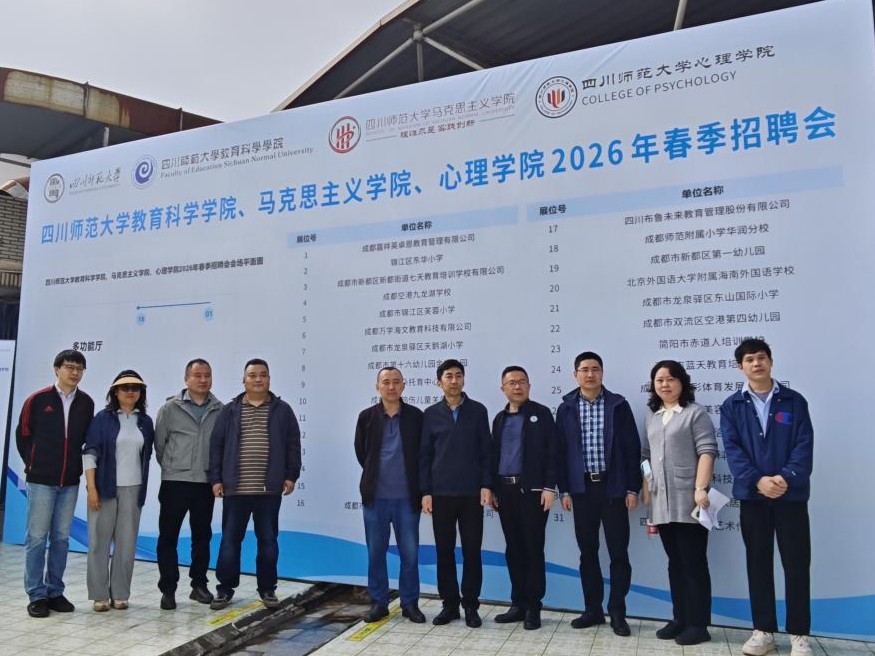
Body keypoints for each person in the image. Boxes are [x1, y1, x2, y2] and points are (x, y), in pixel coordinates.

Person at [721, 339, 814, 656]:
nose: (756, 363)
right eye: (749, 359)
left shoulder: (794, 401)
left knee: (796, 564)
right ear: (740, 367)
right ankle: (763, 631)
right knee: (758, 563)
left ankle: (799, 634)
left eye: (761, 358)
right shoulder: (732, 405)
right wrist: (758, 480)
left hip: (791, 496)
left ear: (771, 362)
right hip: (753, 498)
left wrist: (785, 478)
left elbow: (804, 445)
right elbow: (733, 450)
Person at [556, 351, 641, 636]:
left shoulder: (618, 405)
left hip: (613, 488)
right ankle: (592, 610)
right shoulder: (566, 408)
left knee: (619, 553)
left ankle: (617, 611)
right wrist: (565, 489)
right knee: (587, 552)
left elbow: (631, 448)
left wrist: (632, 487)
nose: (590, 374)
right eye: (584, 369)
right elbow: (561, 452)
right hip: (581, 490)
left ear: (602, 373)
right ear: (575, 374)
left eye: (595, 369)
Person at [209, 358, 301, 610]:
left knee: (268, 542)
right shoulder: (230, 411)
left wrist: (291, 476)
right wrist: (216, 479)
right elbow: (216, 446)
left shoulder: (283, 410)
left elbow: (293, 445)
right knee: (230, 542)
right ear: (244, 380)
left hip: (268, 491)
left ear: (269, 379)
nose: (258, 379)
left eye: (263, 375)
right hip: (235, 490)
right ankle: (224, 589)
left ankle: (267, 589)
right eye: (252, 375)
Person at [641, 360, 717, 645]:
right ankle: (680, 618)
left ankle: (699, 624)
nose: (665, 384)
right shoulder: (653, 415)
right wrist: (646, 488)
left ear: (682, 382)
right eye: (659, 380)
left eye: (671, 379)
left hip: (690, 501)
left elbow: (707, 451)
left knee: (693, 563)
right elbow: (645, 455)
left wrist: (700, 488)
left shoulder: (695, 413)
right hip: (661, 501)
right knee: (675, 562)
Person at [16, 349, 95, 617]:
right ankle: (36, 594)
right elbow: (23, 435)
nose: (75, 373)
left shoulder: (86, 403)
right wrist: (33, 464)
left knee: (61, 538)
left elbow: (86, 440)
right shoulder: (37, 400)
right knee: (37, 538)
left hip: (70, 481)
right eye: (69, 367)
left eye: (79, 368)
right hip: (41, 481)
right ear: (57, 369)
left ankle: (55, 591)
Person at [420, 359, 492, 627]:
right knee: (444, 551)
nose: (454, 380)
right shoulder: (430, 414)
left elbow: (487, 452)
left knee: (472, 551)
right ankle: (449, 604)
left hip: (472, 494)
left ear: (463, 379)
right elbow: (424, 456)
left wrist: (486, 485)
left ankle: (471, 605)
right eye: (448, 376)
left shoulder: (478, 411)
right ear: (439, 382)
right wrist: (425, 491)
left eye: (458, 375)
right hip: (441, 495)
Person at [354, 367, 426, 624]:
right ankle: (379, 602)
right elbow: (362, 452)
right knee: (376, 553)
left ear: (404, 385)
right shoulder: (366, 417)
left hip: (407, 498)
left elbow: (423, 454)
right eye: (386, 382)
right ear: (378, 387)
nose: (391, 386)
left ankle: (410, 603)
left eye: (396, 382)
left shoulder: (416, 417)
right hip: (376, 498)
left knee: (410, 553)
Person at [490, 366, 557, 630]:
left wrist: (549, 487)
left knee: (532, 548)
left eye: (522, 382)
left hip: (533, 493)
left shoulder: (541, 414)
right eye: (511, 383)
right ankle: (517, 603)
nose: (517, 387)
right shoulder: (499, 419)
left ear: (529, 386)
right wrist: (492, 489)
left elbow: (553, 452)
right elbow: (494, 456)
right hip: (505, 492)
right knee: (513, 549)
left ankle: (533, 607)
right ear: (502, 388)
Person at [154, 358, 224, 610]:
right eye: (197, 375)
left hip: (204, 483)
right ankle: (168, 589)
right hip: (175, 482)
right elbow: (160, 445)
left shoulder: (220, 410)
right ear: (186, 379)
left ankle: (199, 585)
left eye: (207, 375)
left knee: (202, 536)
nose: (203, 380)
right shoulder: (169, 409)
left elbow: (221, 447)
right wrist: (175, 466)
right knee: (168, 537)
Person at [83, 370, 155, 611]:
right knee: (98, 543)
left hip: (133, 489)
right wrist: (91, 488)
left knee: (126, 544)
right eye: (125, 387)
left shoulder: (146, 421)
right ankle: (99, 595)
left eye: (136, 388)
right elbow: (90, 452)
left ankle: (121, 594)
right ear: (115, 391)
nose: (131, 391)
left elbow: (147, 456)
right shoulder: (102, 419)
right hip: (103, 487)